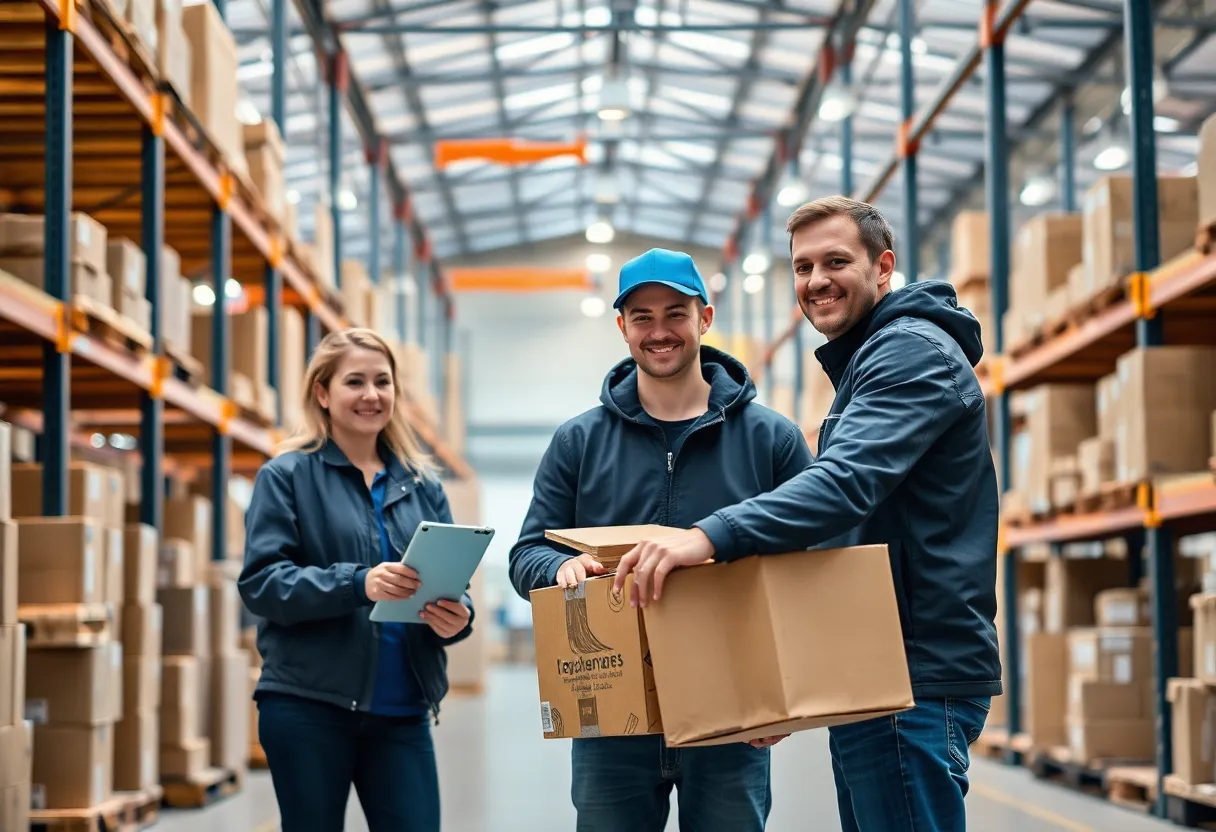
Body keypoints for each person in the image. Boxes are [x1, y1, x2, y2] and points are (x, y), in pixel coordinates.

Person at [612, 197, 1001, 832]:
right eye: (802, 266)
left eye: (836, 261)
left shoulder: (909, 355)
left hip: (913, 673)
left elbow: (843, 488)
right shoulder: (870, 358)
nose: (816, 280)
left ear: (883, 268)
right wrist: (786, 682)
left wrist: (707, 537)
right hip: (877, 669)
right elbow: (846, 539)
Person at [509, 247, 814, 832]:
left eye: (675, 313)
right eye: (642, 317)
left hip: (732, 706)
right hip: (610, 709)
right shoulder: (579, 442)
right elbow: (526, 554)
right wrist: (558, 572)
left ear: (705, 318)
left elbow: (810, 568)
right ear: (622, 326)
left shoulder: (770, 440)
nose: (660, 331)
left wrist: (787, 691)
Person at [238, 328, 475, 832]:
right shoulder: (286, 477)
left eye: (382, 382)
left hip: (403, 710)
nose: (372, 395)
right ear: (322, 393)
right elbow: (262, 583)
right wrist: (357, 583)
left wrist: (459, 617)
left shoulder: (422, 486)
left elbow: (454, 586)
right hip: (308, 706)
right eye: (355, 382)